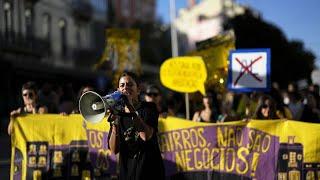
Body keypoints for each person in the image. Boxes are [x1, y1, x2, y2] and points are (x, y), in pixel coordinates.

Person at [107, 72, 165, 180]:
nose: (126, 88)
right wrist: (114, 123)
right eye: (122, 85)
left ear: (138, 90)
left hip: (150, 173)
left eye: (130, 85)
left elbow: (146, 136)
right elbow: (114, 150)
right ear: (118, 90)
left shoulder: (149, 108)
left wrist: (130, 107)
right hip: (127, 174)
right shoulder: (118, 113)